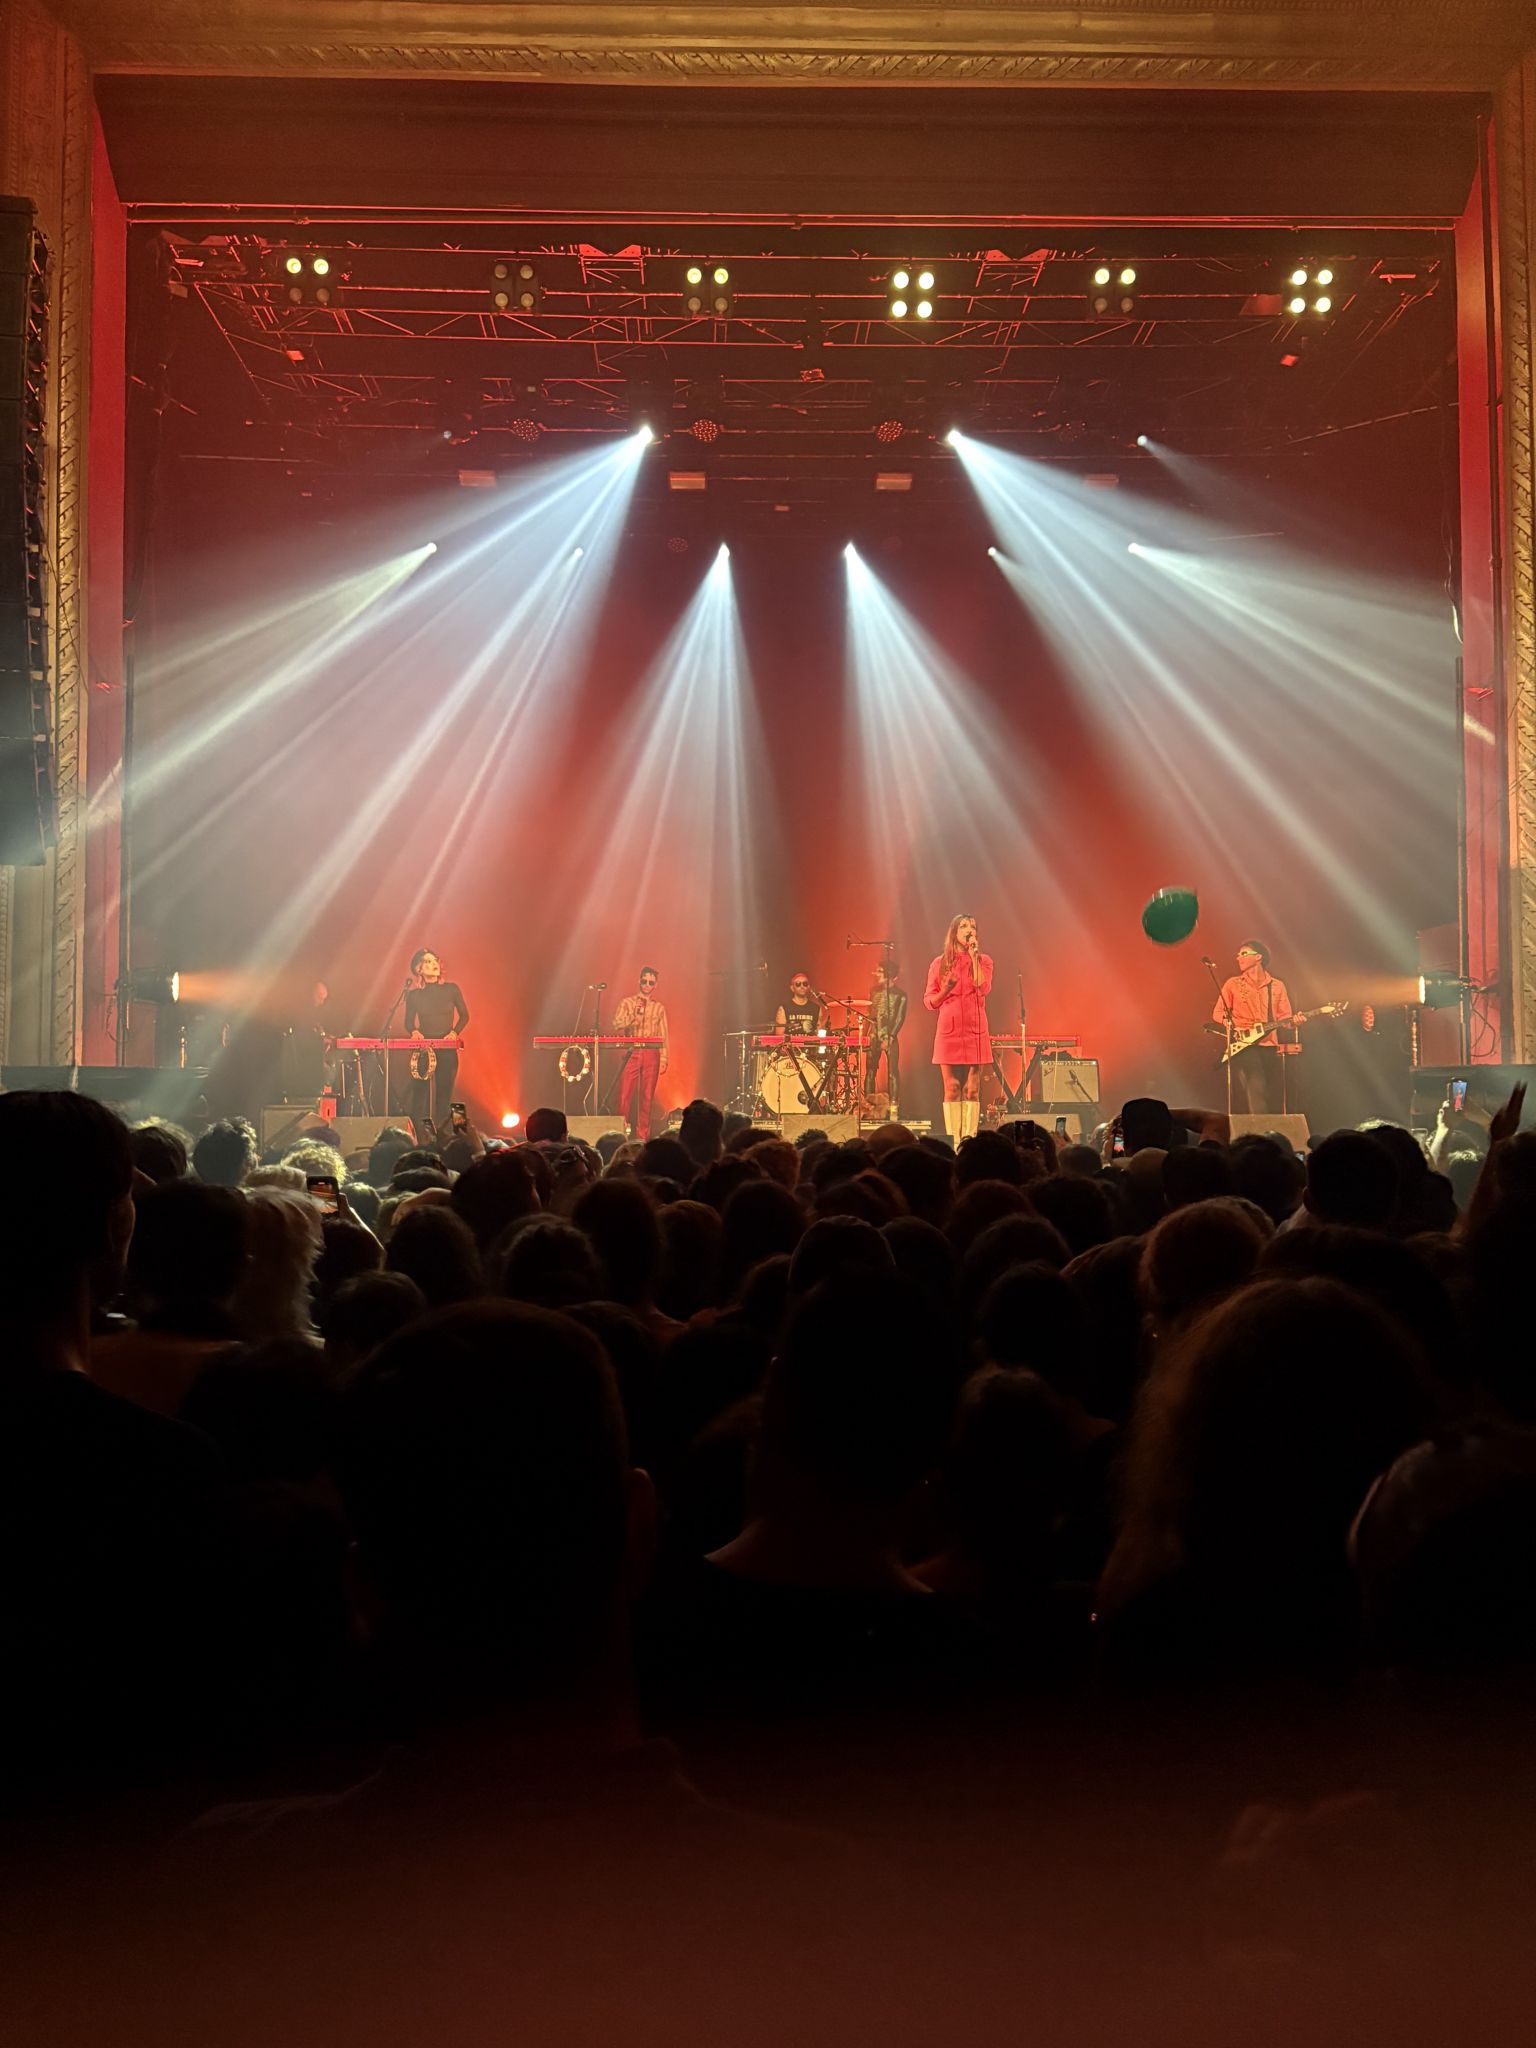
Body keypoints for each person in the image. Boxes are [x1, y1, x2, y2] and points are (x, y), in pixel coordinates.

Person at [924, 912, 994, 1145]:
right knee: (953, 1087)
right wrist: (946, 989)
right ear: (954, 932)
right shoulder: (939, 963)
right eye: (964, 925)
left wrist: (974, 957)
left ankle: (969, 1143)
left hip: (975, 1030)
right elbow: (929, 1001)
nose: (969, 929)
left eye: (973, 926)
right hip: (949, 1031)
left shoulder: (984, 961)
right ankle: (955, 1143)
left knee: (972, 1090)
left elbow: (982, 987)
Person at [1212, 939, 1295, 1115]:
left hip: (1269, 1044)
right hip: (1244, 1045)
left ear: (1258, 957)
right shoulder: (1233, 984)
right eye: (1238, 954)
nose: (1238, 958)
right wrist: (1231, 1024)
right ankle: (1261, 1132)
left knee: (1270, 1091)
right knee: (1256, 1085)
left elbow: (1285, 1019)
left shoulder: (1277, 986)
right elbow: (1218, 1013)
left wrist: (1295, 1021)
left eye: (1243, 954)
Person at [404, 947, 469, 1137]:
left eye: (435, 961)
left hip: (447, 1048)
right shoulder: (414, 995)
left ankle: (455, 1137)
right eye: (427, 961)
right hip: (424, 1050)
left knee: (445, 1096)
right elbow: (408, 1022)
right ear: (418, 969)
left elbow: (465, 1016)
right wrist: (414, 1031)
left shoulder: (451, 989)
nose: (433, 965)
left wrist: (454, 1033)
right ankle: (422, 1137)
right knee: (420, 1097)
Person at [611, 966, 669, 1141]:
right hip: (632, 1049)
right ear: (639, 981)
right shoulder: (627, 1002)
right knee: (624, 1095)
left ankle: (642, 1136)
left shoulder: (659, 1007)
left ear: (655, 985)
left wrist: (665, 1056)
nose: (647, 985)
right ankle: (619, 1134)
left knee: (646, 1097)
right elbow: (616, 1024)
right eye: (644, 981)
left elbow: (664, 1034)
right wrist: (633, 1014)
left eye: (651, 982)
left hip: (651, 1052)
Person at [865, 958, 908, 1117]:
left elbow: (899, 1018)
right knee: (870, 1070)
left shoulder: (901, 995)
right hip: (873, 1034)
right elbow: (870, 1014)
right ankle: (868, 1105)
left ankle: (894, 1106)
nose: (876, 974)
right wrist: (865, 1037)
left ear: (889, 974)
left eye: (880, 971)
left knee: (892, 1071)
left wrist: (890, 1036)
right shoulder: (874, 991)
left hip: (889, 1036)